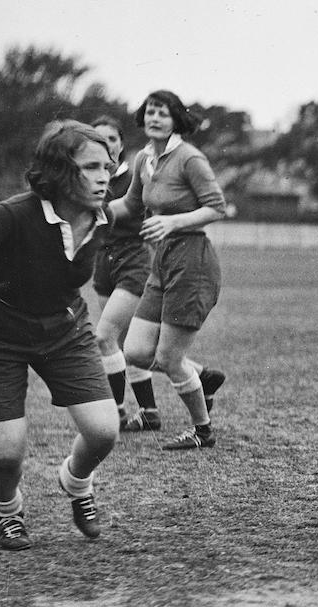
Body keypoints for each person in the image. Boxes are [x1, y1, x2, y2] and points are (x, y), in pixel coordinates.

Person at [0, 120, 119, 549]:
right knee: (6, 454)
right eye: (90, 167)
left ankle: (76, 483)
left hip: (64, 329)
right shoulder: (17, 212)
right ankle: (7, 512)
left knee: (103, 431)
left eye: (107, 167)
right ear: (58, 171)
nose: (103, 176)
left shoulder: (104, 217)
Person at [113, 89, 230, 451]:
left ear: (176, 119)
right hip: (161, 263)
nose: (154, 118)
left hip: (192, 262)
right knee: (134, 351)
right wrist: (90, 209)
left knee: (167, 358)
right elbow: (131, 205)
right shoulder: (143, 159)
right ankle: (202, 378)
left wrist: (172, 222)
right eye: (149, 111)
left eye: (162, 113)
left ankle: (202, 431)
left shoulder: (189, 158)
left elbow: (217, 207)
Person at [87, 115, 161, 432]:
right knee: (127, 344)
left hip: (133, 260)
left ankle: (115, 413)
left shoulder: (134, 177)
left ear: (121, 144)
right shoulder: (86, 179)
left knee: (104, 336)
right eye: (98, 140)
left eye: (112, 139)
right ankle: (152, 410)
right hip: (102, 263)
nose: (106, 146)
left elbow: (154, 210)